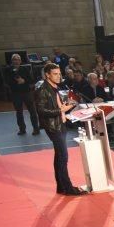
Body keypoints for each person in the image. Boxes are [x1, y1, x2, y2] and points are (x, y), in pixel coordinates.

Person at [35, 63, 86, 196]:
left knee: (59, 157)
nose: (59, 76)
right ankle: (68, 188)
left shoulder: (54, 88)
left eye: (59, 74)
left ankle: (61, 187)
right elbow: (41, 111)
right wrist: (61, 109)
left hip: (60, 124)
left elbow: (55, 105)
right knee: (63, 157)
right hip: (54, 127)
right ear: (47, 75)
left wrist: (66, 106)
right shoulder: (42, 89)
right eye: (55, 74)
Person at [6, 53, 40, 135]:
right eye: (14, 59)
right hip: (15, 93)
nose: (16, 61)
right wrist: (15, 82)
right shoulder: (8, 70)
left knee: (32, 111)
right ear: (12, 61)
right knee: (19, 112)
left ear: (20, 61)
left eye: (18, 59)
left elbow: (31, 80)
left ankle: (36, 128)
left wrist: (24, 81)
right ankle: (22, 129)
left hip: (26, 92)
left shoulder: (25, 69)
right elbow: (6, 81)